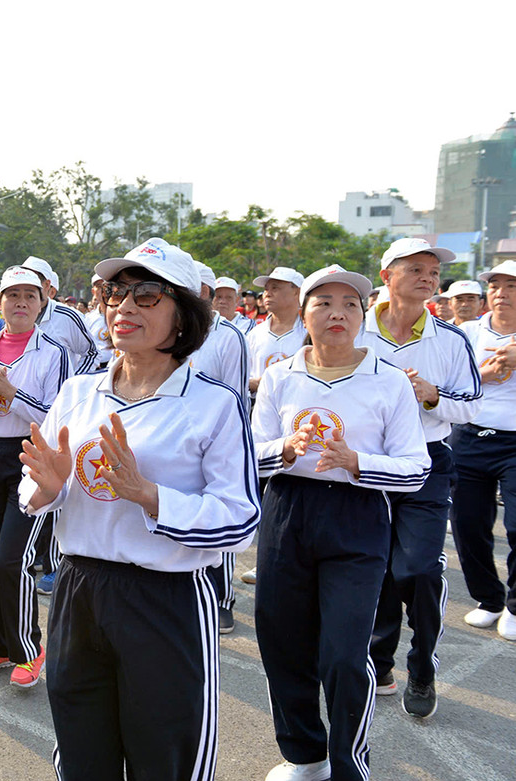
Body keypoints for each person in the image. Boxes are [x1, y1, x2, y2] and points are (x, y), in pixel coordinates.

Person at [17, 238, 258, 781]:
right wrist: (47, 488)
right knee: (81, 753)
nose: (124, 306)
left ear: (183, 316)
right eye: (115, 293)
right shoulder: (77, 393)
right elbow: (35, 486)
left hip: (166, 600)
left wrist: (150, 496)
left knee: (165, 759)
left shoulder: (214, 404)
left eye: (146, 294)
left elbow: (240, 520)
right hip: (80, 591)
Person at [252, 264, 431, 781]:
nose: (337, 313)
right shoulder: (281, 377)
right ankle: (305, 755)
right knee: (283, 642)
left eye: (350, 304)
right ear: (303, 314)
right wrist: (284, 450)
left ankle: (350, 764)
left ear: (363, 315)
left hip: (358, 515)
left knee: (344, 654)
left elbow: (416, 467)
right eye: (324, 303)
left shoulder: (388, 381)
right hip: (288, 510)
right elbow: (250, 452)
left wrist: (358, 463)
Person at [358, 238, 483, 718]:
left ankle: (422, 666)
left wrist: (431, 394)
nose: (428, 277)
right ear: (387, 276)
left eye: (433, 271)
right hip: (366, 462)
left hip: (426, 461)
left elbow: (471, 405)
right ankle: (379, 661)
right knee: (376, 568)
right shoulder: (355, 330)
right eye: (415, 268)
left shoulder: (450, 339)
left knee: (419, 569)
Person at [0, 267, 69, 687]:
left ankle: (28, 649)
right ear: (0, 302)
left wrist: (12, 394)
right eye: (13, 295)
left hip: (31, 458)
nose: (21, 302)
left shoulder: (52, 353)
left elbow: (54, 416)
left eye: (30, 295)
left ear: (42, 303)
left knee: (11, 560)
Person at [452, 259, 516, 640]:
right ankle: (489, 598)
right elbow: (450, 380)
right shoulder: (468, 332)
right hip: (470, 436)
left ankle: (515, 605)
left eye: (511, 286)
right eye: (495, 286)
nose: (501, 293)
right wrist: (485, 374)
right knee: (467, 524)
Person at [190, 262, 251, 632]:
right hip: (179, 437)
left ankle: (221, 598)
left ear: (204, 293)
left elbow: (237, 395)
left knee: (218, 517)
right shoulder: (172, 328)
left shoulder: (228, 335)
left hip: (216, 439)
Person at [21, 256, 98, 374]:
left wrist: (73, 381)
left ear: (47, 285)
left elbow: (92, 352)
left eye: (34, 281)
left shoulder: (67, 317)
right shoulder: (15, 315)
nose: (28, 286)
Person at [246, 267, 307, 398]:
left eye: (275, 288)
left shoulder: (310, 333)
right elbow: (243, 376)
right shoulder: (255, 334)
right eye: (266, 289)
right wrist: (254, 383)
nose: (267, 294)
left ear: (297, 292)